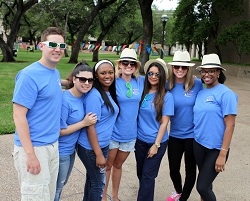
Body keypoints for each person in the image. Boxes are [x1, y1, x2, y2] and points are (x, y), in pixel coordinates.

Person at [12, 27, 66, 200]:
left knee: (48, 196)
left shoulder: (54, 72)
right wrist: (30, 155)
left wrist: (76, 82)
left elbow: (53, 85)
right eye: (52, 44)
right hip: (35, 147)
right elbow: (18, 116)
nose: (57, 49)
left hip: (52, 145)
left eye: (61, 45)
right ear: (41, 45)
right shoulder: (28, 75)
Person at [193, 54, 238, 201]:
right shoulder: (201, 92)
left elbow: (230, 125)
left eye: (211, 71)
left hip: (216, 148)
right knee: (207, 185)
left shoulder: (226, 94)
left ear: (219, 72)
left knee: (202, 186)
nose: (207, 74)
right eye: (204, 71)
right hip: (199, 144)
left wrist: (222, 154)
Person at [102, 48, 144, 201]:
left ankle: (115, 196)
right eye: (125, 62)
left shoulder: (140, 81)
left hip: (130, 134)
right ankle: (103, 196)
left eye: (132, 63)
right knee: (107, 166)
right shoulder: (112, 82)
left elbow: (159, 79)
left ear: (136, 66)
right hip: (113, 132)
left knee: (118, 166)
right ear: (119, 64)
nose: (128, 65)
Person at [54, 61, 97, 201]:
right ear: (74, 79)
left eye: (90, 80)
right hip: (61, 152)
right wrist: (84, 123)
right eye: (82, 79)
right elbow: (59, 131)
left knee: (61, 184)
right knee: (57, 188)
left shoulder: (84, 95)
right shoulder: (65, 100)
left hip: (71, 150)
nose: (86, 83)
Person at [77, 60, 119, 201]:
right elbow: (90, 127)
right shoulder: (95, 96)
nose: (107, 76)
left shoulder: (107, 92)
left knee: (91, 180)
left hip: (102, 145)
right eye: (103, 73)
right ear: (96, 76)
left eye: (110, 72)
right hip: (91, 148)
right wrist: (99, 154)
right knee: (98, 184)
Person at [135, 58, 174, 201]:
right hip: (140, 141)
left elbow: (164, 123)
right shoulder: (142, 91)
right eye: (150, 73)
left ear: (162, 76)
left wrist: (156, 145)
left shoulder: (166, 96)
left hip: (156, 142)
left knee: (147, 176)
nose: (153, 77)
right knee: (141, 174)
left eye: (157, 74)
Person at [166, 51, 203, 201]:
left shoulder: (197, 84)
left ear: (188, 69)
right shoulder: (167, 84)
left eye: (184, 67)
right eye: (176, 66)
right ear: (172, 67)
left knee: (190, 170)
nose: (180, 69)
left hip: (192, 136)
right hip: (174, 134)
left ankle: (183, 198)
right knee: (173, 169)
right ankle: (178, 191)